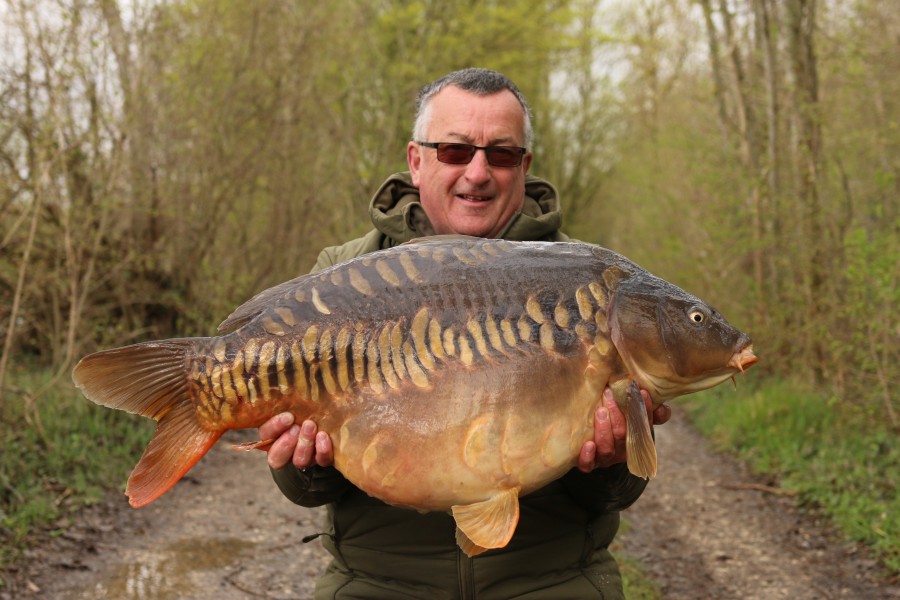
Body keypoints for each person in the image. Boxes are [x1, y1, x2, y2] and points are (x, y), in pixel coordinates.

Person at [258, 68, 670, 599]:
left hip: (553, 583)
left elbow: (616, 495)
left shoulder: (586, 284)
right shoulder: (344, 273)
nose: (478, 173)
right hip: (377, 585)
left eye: (500, 155)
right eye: (455, 151)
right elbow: (305, 492)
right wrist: (303, 464)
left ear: (523, 166)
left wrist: (609, 464)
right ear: (416, 160)